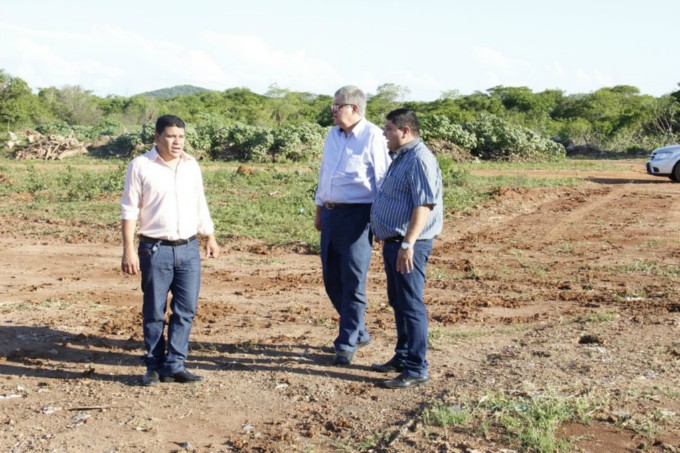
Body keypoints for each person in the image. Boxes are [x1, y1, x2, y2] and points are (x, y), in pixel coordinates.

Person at [120, 114, 220, 386]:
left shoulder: (191, 165)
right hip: (155, 249)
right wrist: (128, 250)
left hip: (188, 248)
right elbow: (129, 210)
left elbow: (200, 202)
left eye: (181, 136)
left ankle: (175, 364)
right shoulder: (140, 166)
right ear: (157, 137)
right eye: (171, 136)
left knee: (185, 309)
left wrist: (209, 235)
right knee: (154, 309)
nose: (177, 142)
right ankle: (153, 364)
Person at [314, 85, 391, 366]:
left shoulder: (373, 136)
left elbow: (382, 181)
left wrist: (381, 222)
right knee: (331, 278)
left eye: (337, 106)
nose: (333, 111)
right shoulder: (332, 135)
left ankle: (346, 343)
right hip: (332, 214)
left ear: (354, 109)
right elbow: (325, 173)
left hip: (359, 215)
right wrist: (320, 209)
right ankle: (358, 330)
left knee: (353, 281)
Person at [370, 108, 443, 388]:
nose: (384, 134)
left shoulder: (419, 159)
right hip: (395, 243)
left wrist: (408, 243)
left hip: (409, 244)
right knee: (399, 301)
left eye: (388, 128)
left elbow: (423, 205)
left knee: (411, 304)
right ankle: (402, 356)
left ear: (405, 131)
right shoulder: (402, 157)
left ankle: (416, 367)